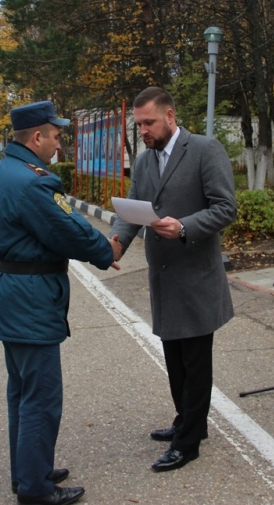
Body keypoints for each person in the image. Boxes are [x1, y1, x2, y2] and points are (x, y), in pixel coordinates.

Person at [0, 100, 122, 505]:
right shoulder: (33, 181)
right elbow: (70, 230)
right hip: (31, 300)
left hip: (7, 290)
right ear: (37, 137)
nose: (59, 144)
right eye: (56, 136)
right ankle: (36, 490)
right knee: (41, 396)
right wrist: (105, 251)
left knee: (21, 391)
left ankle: (26, 473)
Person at [110, 87, 236, 472]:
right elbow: (132, 208)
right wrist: (115, 244)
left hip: (196, 276)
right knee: (176, 360)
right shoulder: (146, 161)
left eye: (148, 122)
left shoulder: (204, 150)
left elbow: (225, 207)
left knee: (196, 362)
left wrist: (184, 227)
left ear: (169, 116)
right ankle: (187, 421)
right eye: (138, 125)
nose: (143, 131)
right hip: (164, 278)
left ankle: (189, 442)